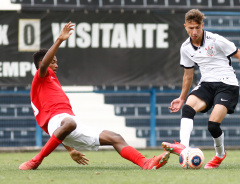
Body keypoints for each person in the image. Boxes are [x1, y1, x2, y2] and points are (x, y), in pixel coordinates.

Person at [19, 22, 170, 170]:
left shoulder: (50, 81)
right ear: (41, 63)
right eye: (53, 62)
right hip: (59, 121)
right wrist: (59, 40)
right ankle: (36, 161)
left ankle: (145, 163)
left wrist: (71, 150)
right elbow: (58, 125)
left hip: (70, 123)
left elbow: (61, 130)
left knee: (115, 137)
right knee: (70, 123)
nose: (56, 65)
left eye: (56, 62)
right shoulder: (41, 76)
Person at [161, 9, 240, 169]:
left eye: (197, 27)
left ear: (202, 25)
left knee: (212, 126)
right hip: (207, 84)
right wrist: (182, 98)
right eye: (190, 28)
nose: (194, 32)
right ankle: (184, 148)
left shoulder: (216, 40)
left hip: (227, 85)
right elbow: (188, 76)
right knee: (188, 108)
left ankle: (220, 154)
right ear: (185, 27)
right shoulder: (185, 48)